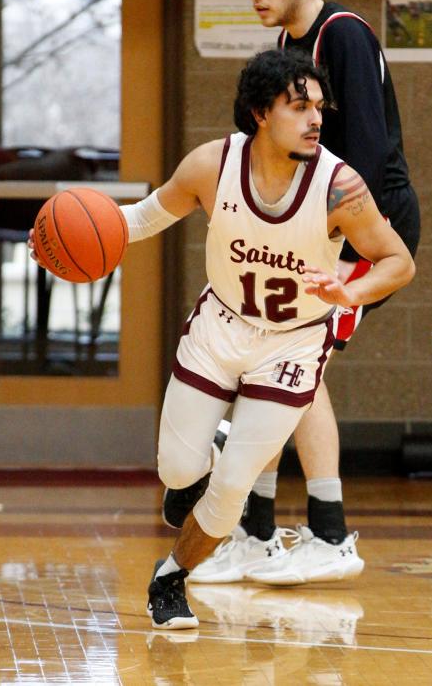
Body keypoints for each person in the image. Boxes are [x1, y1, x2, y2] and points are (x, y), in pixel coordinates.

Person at [68, 49, 413, 628]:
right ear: (259, 112)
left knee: (230, 491)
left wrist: (351, 292)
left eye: (319, 108)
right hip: (220, 330)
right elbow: (139, 220)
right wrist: (65, 239)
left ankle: (170, 578)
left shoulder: (339, 186)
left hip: (294, 344)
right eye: (299, 106)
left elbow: (397, 261)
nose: (316, 120)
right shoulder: (212, 165)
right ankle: (207, 458)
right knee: (179, 472)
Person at [165, 0, 421, 587]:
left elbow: (362, 152)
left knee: (299, 368)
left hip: (367, 229)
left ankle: (328, 535)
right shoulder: (291, 42)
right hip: (320, 234)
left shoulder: (343, 35)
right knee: (283, 368)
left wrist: (334, 248)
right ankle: (257, 532)